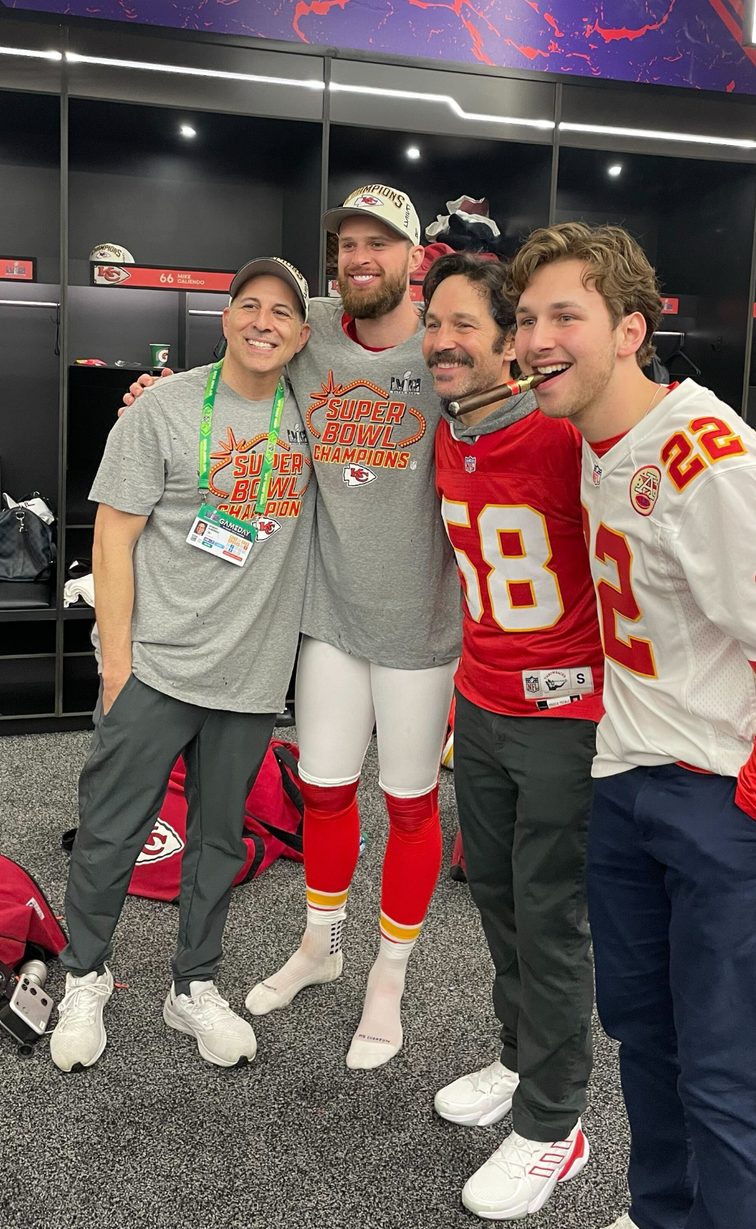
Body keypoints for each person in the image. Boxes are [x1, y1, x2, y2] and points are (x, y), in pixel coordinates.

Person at [511, 222, 756, 1229]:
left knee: (725, 1071)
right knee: (648, 1038)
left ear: (630, 328)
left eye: (564, 315)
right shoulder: (597, 435)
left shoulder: (715, 462)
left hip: (733, 796)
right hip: (631, 780)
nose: (536, 338)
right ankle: (666, 1214)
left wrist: (751, 814)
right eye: (528, 317)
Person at [125, 186, 461, 1070]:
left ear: (414, 258)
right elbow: (246, 350)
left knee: (413, 801)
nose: (358, 258)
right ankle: (322, 945)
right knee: (323, 788)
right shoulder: (310, 325)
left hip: (423, 623)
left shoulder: (445, 344)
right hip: (328, 617)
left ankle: (388, 974)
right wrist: (162, 394)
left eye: (378, 245)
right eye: (346, 243)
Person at [50, 258, 314, 1074]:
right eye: (250, 306)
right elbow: (113, 536)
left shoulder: (314, 417)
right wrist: (118, 664)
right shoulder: (162, 407)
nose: (264, 322)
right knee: (111, 830)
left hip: (251, 676)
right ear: (225, 317)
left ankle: (192, 984)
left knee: (217, 842)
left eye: (283, 312)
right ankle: (85, 976)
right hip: (156, 666)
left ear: (304, 334)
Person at [423, 252, 601, 1221]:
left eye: (463, 325)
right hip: (481, 704)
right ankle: (520, 1055)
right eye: (433, 324)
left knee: (550, 914)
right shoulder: (450, 430)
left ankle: (556, 1120)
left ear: (510, 343)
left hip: (564, 720)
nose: (442, 342)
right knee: (494, 893)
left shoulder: (564, 436)